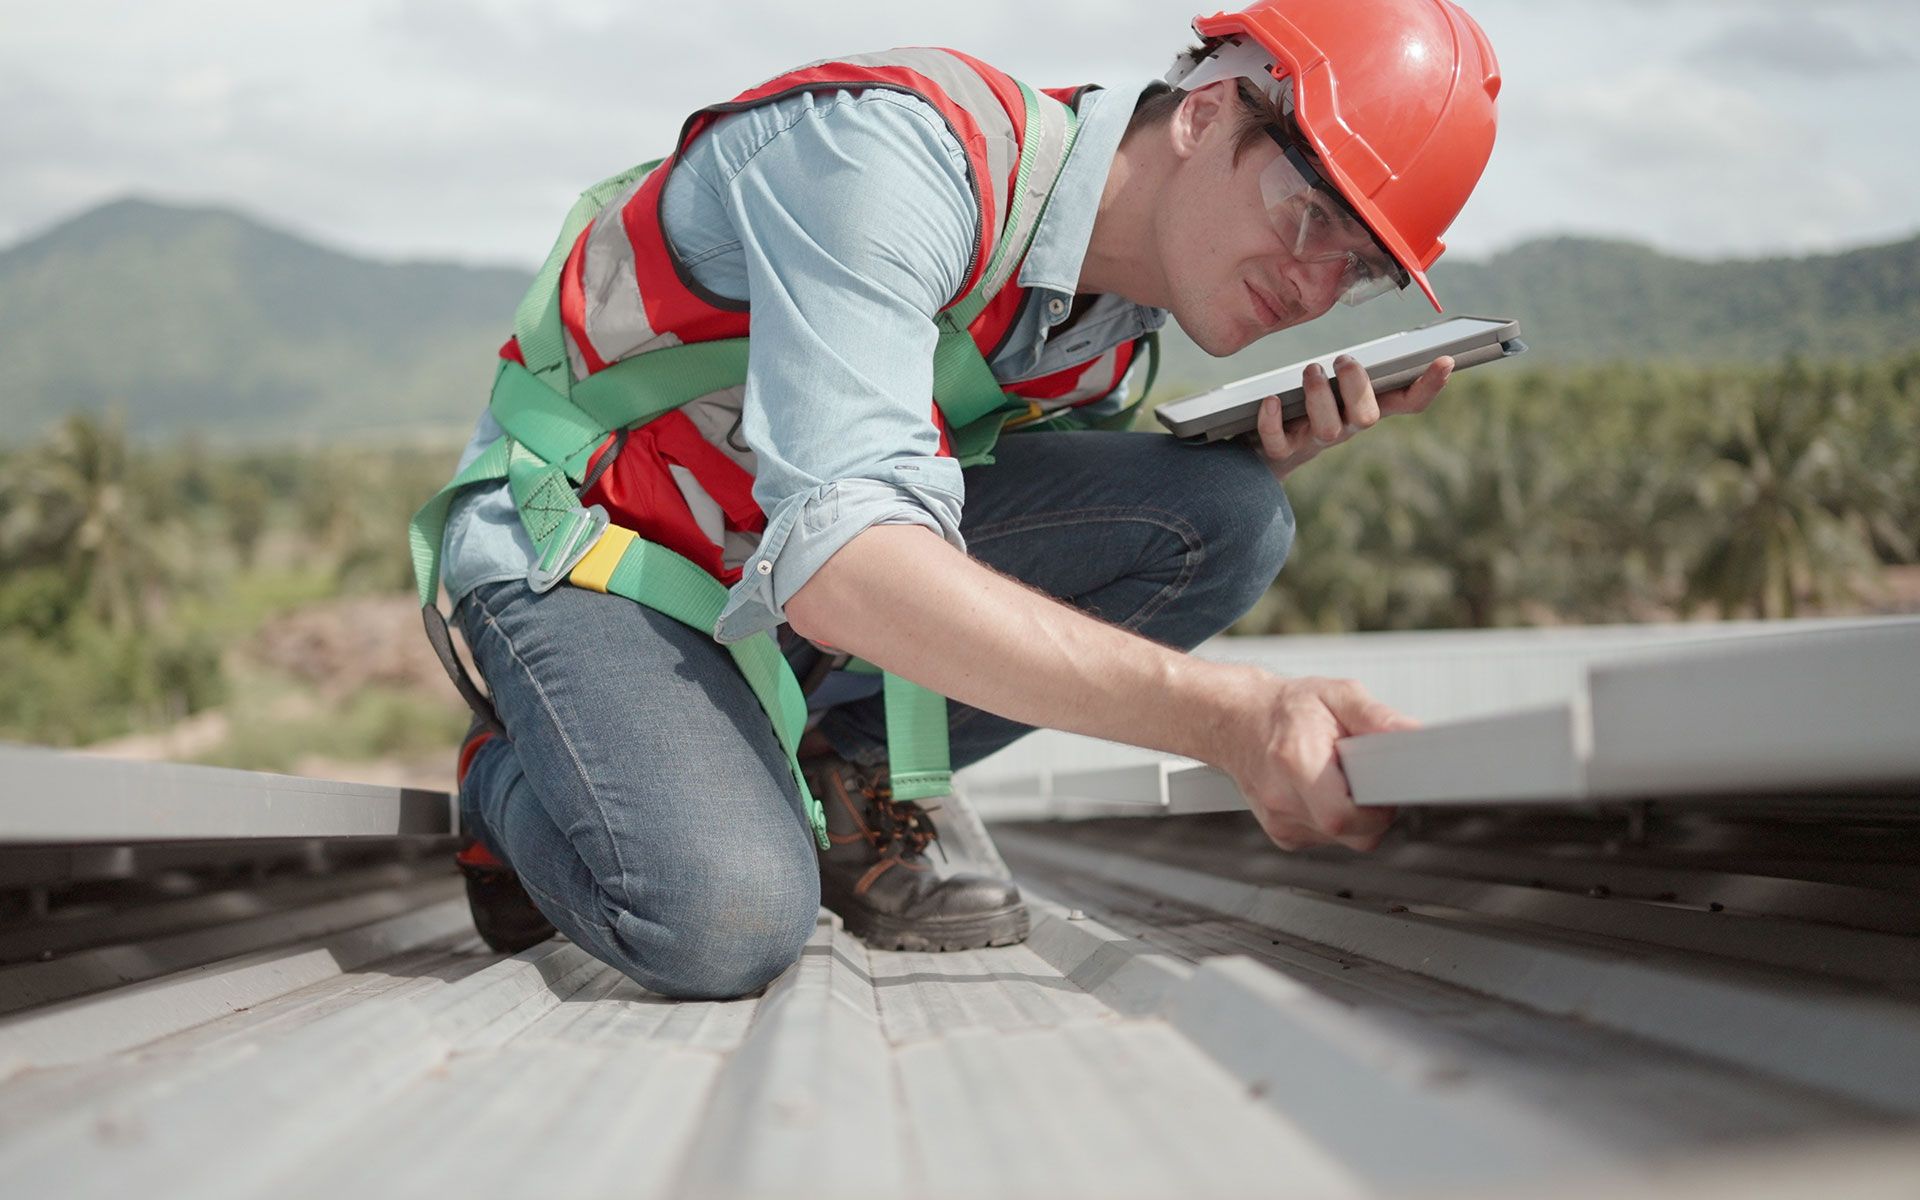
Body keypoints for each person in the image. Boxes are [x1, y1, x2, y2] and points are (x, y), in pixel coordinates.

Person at [419, 0, 1502, 998]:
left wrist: (1257, 464)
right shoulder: (896, 155)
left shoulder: (1116, 341)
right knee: (726, 921)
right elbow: (850, 568)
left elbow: (975, 551)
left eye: (1358, 269)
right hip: (602, 552)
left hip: (770, 580)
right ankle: (512, 777)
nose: (1315, 288)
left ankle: (848, 785)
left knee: (1228, 514)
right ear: (1208, 112)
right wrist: (1235, 720)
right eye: (1311, 215)